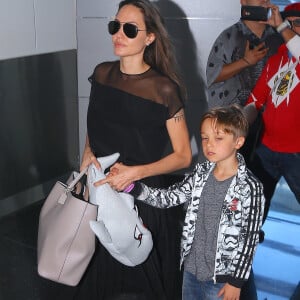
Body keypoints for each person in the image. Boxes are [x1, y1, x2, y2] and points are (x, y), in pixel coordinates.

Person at [78, 0, 192, 299]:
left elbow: (183, 155)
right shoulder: (101, 73)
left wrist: (135, 173)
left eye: (129, 29)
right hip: (100, 191)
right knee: (101, 280)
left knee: (140, 286)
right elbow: (96, 125)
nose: (119, 34)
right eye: (115, 26)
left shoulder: (164, 89)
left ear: (149, 37)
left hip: (141, 197)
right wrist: (87, 154)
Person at [110, 105, 265, 300]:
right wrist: (132, 187)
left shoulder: (250, 187)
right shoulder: (201, 174)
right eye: (205, 137)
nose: (209, 145)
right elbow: (168, 198)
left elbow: (248, 239)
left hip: (221, 278)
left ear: (238, 141)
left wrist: (236, 282)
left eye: (218, 138)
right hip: (191, 271)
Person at [244, 3, 300, 212]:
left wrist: (282, 26)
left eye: (298, 23)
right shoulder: (275, 59)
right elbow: (255, 101)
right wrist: (238, 122)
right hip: (266, 150)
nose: (292, 27)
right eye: (289, 22)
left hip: (297, 153)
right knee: (251, 211)